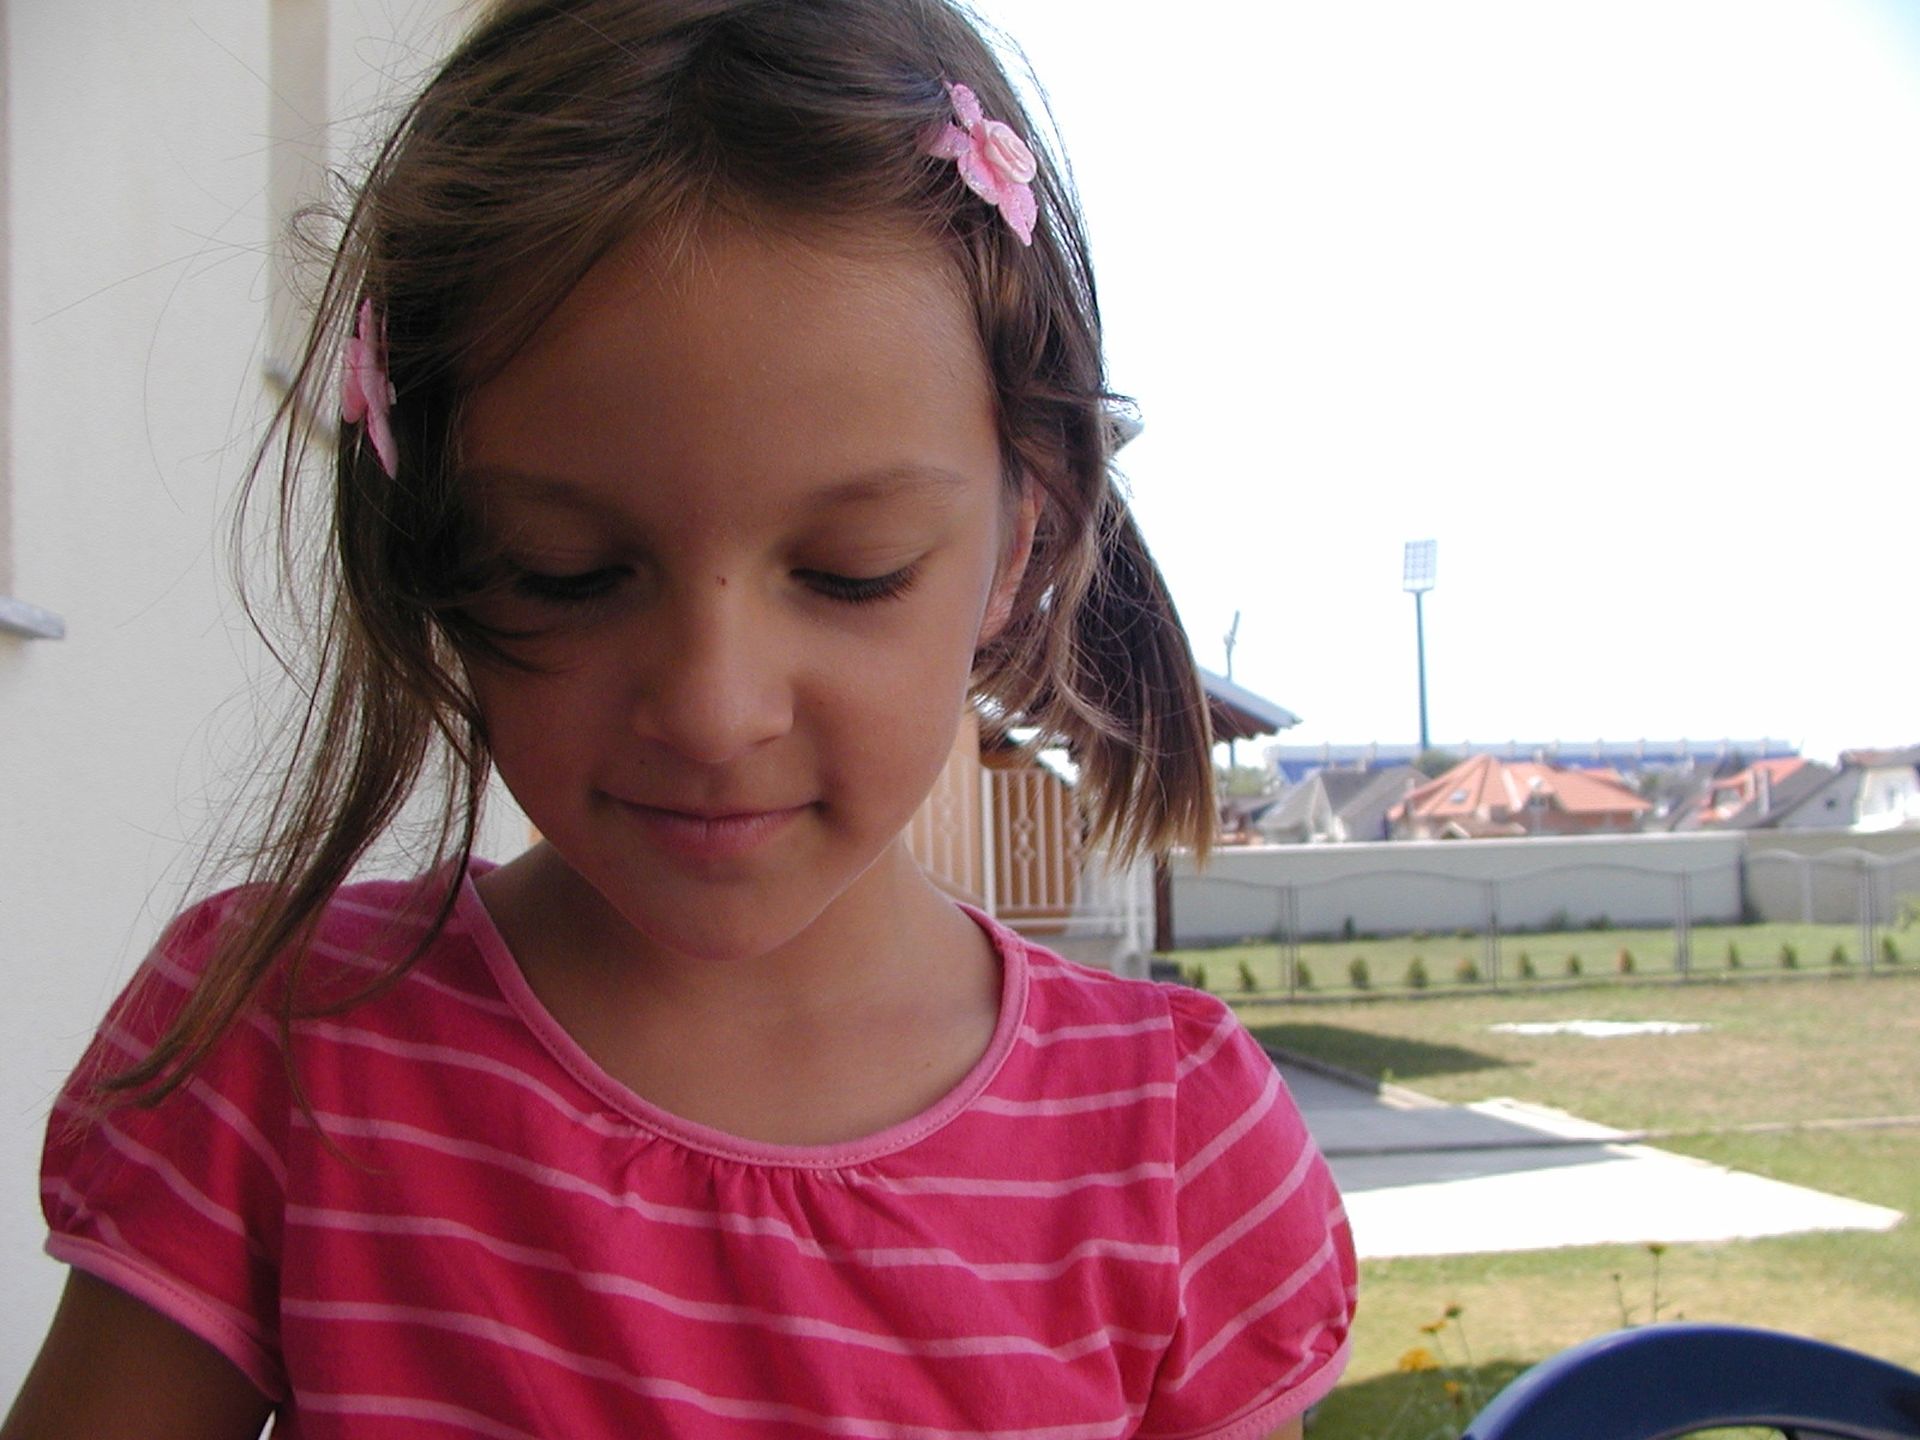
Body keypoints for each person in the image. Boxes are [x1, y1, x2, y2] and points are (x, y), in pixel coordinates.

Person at [4, 2, 1356, 1435]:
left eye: (850, 572)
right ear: (435, 537)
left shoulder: (1175, 1154)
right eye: (567, 570)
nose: (714, 710)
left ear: (1019, 542)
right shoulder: (279, 1047)